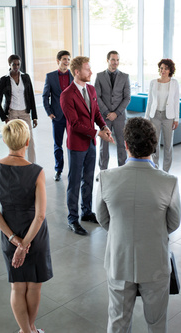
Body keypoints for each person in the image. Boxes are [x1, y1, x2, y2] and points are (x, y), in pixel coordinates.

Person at [96, 117, 181, 333]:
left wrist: (121, 230)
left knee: (118, 322)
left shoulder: (106, 178)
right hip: (155, 263)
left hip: (119, 260)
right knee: (157, 322)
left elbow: (103, 218)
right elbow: (173, 222)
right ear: (154, 146)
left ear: (125, 145)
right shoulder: (168, 182)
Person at [0, 119, 52, 333]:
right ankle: (31, 329)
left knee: (17, 285)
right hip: (35, 236)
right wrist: (26, 244)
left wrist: (14, 239)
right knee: (34, 286)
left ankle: (24, 331)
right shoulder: (36, 171)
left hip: (9, 231)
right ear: (27, 141)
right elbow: (40, 215)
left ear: (5, 140)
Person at [59, 56, 114, 236]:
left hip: (90, 143)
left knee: (89, 179)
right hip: (76, 144)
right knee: (74, 183)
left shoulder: (90, 89)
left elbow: (96, 113)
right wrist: (97, 132)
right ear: (77, 72)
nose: (90, 72)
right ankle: (72, 219)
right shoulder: (66, 95)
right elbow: (74, 124)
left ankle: (86, 212)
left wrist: (104, 126)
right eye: (87, 69)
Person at [0, 54, 38, 163]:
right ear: (9, 64)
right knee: (14, 141)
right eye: (14, 64)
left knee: (30, 140)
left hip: (25, 112)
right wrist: (4, 117)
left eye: (18, 64)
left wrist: (34, 117)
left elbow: (31, 97)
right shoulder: (4, 80)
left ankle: (32, 165)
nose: (16, 67)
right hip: (12, 113)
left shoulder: (26, 77)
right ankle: (16, 164)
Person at [94, 50, 130, 172]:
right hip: (104, 117)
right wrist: (106, 112)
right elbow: (96, 97)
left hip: (119, 117)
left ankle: (122, 170)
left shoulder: (125, 77)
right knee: (104, 146)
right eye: (113, 60)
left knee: (122, 144)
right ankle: (103, 171)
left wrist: (116, 113)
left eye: (117, 60)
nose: (115, 62)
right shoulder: (99, 76)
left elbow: (127, 98)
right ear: (107, 60)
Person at [43, 50, 74, 181]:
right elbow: (45, 95)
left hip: (72, 116)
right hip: (57, 116)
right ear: (58, 61)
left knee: (73, 144)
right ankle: (58, 170)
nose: (66, 62)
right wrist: (49, 112)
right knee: (58, 144)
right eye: (64, 59)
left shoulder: (74, 75)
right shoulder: (50, 77)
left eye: (68, 59)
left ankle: (74, 170)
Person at [145, 58, 180, 172]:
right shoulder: (153, 82)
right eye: (161, 68)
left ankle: (166, 171)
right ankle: (155, 169)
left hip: (168, 117)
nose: (163, 71)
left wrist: (176, 119)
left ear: (170, 70)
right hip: (155, 115)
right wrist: (146, 118)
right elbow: (150, 101)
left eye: (166, 68)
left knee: (168, 145)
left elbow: (176, 101)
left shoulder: (174, 83)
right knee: (154, 144)